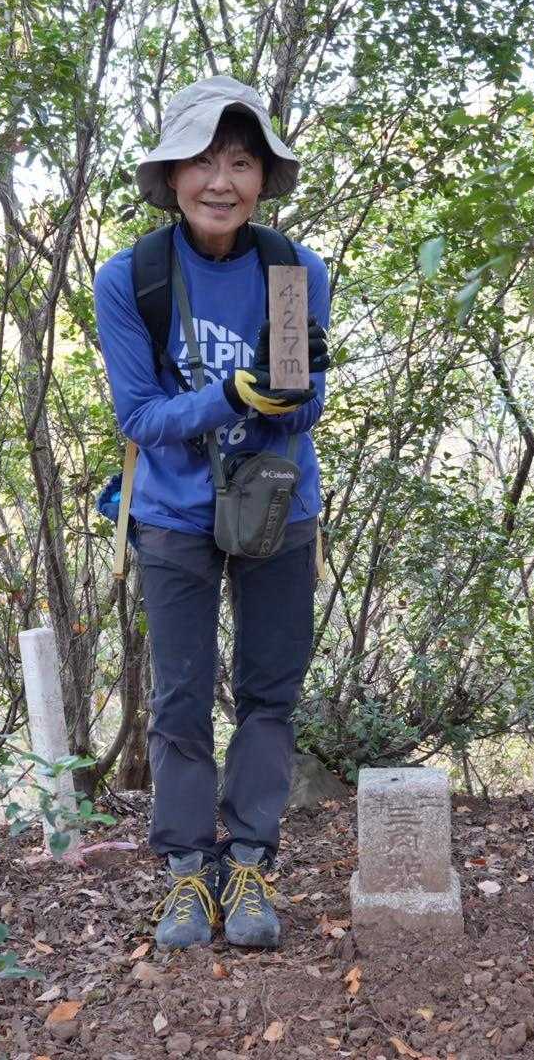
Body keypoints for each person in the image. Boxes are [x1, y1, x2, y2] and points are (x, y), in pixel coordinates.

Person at [93, 76, 330, 950]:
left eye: (240, 162)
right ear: (171, 176)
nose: (220, 182)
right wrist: (232, 394)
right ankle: (189, 871)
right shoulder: (133, 278)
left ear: (263, 179)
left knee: (270, 692)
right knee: (182, 697)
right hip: (173, 513)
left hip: (277, 505)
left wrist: (286, 394)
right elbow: (140, 417)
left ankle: (253, 861)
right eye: (201, 162)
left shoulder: (293, 271)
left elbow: (306, 405)